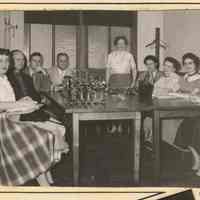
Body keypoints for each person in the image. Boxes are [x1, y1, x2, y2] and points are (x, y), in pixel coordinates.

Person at [7, 49, 69, 184]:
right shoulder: (7, 77)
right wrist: (29, 101)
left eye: (22, 59)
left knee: (60, 125)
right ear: (11, 61)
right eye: (17, 59)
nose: (21, 62)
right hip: (18, 114)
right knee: (54, 129)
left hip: (30, 110)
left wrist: (38, 101)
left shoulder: (26, 77)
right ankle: (44, 171)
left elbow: (36, 93)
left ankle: (47, 170)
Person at [0, 48, 55, 186]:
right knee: (41, 137)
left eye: (6, 61)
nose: (4, 64)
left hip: (9, 118)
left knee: (46, 135)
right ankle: (46, 186)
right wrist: (18, 104)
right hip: (3, 124)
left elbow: (11, 102)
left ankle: (46, 186)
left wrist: (24, 101)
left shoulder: (4, 78)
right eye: (0, 61)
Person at [143, 57, 181, 142]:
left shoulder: (176, 78)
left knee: (151, 117)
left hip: (171, 109)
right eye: (165, 65)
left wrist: (160, 91)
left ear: (174, 69)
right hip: (160, 105)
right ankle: (151, 140)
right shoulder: (163, 78)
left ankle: (159, 142)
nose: (166, 68)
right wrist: (160, 91)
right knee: (147, 117)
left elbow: (169, 91)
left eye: (169, 67)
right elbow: (154, 91)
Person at [174, 53, 200, 175]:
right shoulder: (183, 78)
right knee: (185, 127)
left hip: (197, 112)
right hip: (187, 111)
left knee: (194, 127)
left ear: (196, 64)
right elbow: (177, 91)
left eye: (191, 63)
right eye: (185, 63)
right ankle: (197, 159)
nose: (188, 65)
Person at [106, 36, 137, 134]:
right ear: (115, 45)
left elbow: (134, 70)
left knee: (124, 104)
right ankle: (114, 126)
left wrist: (133, 82)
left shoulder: (129, 55)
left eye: (123, 43)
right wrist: (107, 83)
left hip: (126, 80)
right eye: (119, 43)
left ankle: (122, 126)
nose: (121, 45)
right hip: (114, 81)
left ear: (126, 45)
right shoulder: (110, 55)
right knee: (113, 104)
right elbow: (108, 70)